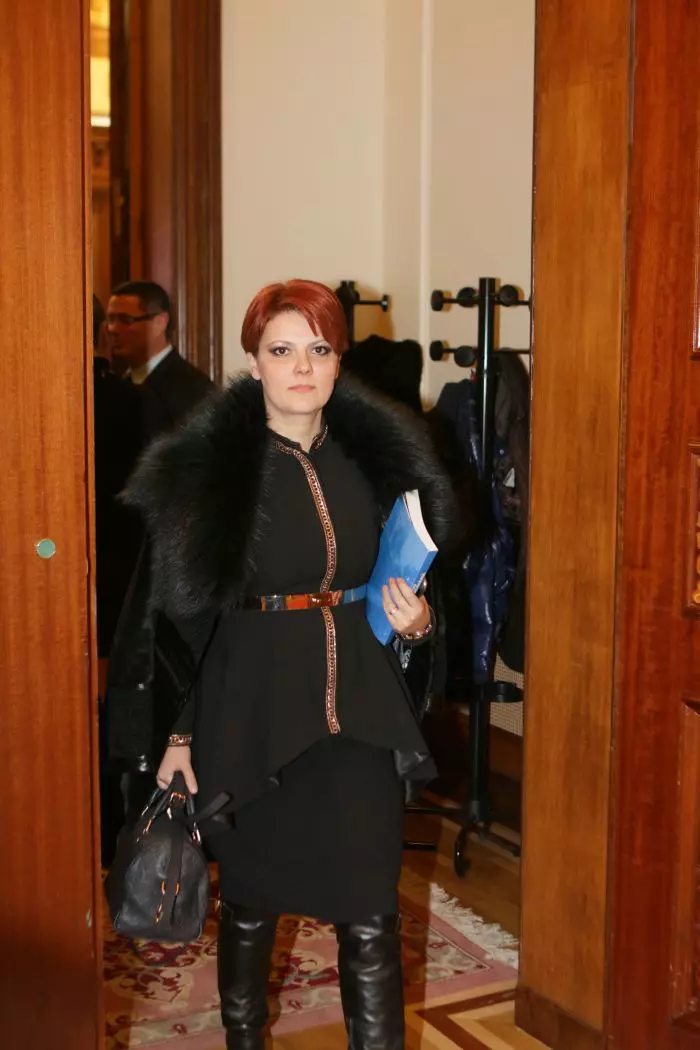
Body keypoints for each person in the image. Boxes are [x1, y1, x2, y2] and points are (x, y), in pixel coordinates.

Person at [107, 280, 455, 1049]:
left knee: (372, 913)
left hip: (360, 713)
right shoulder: (211, 473)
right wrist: (179, 737)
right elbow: (180, 623)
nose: (302, 366)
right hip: (251, 713)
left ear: (339, 361)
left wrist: (421, 623)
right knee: (251, 908)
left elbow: (416, 585)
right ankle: (244, 1040)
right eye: (282, 349)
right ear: (254, 361)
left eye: (319, 349)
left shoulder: (379, 463)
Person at [106, 279, 214, 433]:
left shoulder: (193, 389)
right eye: (110, 319)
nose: (113, 329)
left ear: (160, 322)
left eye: (126, 320)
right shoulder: (119, 385)